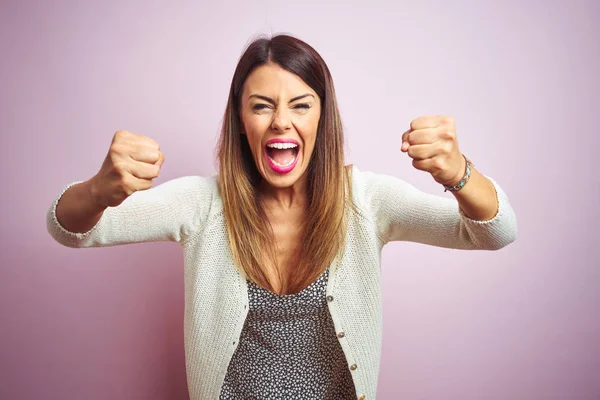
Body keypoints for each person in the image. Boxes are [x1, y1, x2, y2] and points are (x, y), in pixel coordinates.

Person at [46, 34, 518, 400]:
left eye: (300, 105)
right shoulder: (203, 204)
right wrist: (98, 189)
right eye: (261, 106)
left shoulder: (366, 201)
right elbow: (70, 229)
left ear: (322, 117)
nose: (280, 122)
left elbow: (495, 232)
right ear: (240, 120)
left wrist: (459, 173)